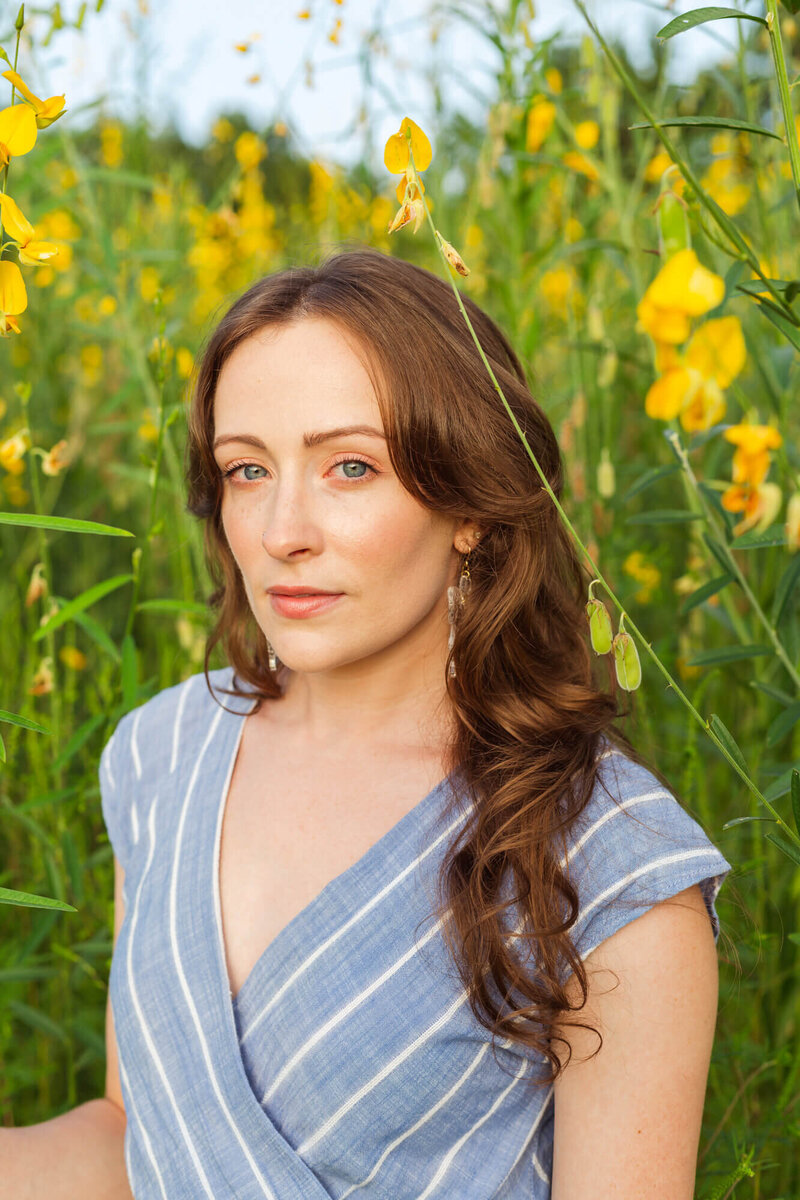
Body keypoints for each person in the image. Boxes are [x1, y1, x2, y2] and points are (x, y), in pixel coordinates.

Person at [3, 246, 733, 1199]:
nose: (281, 531)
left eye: (350, 466)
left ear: (469, 501)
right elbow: (146, 1141)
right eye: (247, 470)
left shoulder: (611, 863)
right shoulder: (162, 751)